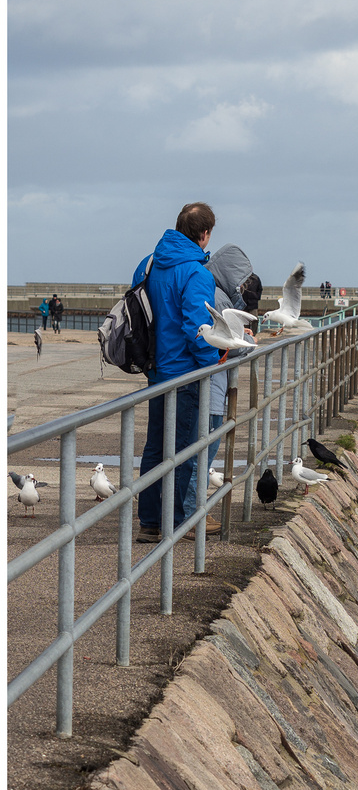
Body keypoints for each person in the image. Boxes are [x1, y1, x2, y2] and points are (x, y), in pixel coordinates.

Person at [133, 202, 221, 544]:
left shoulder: (149, 263)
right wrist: (213, 362)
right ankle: (179, 521)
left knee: (156, 448)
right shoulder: (197, 273)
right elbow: (196, 329)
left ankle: (150, 522)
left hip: (156, 373)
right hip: (185, 376)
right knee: (183, 450)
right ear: (204, 234)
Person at [182, 243, 256, 528]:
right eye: (241, 279)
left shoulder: (212, 291)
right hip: (211, 387)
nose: (243, 285)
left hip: (207, 383)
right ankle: (192, 515)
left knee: (195, 451)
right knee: (204, 452)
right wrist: (249, 342)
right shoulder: (220, 299)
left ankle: (188, 512)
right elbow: (228, 347)